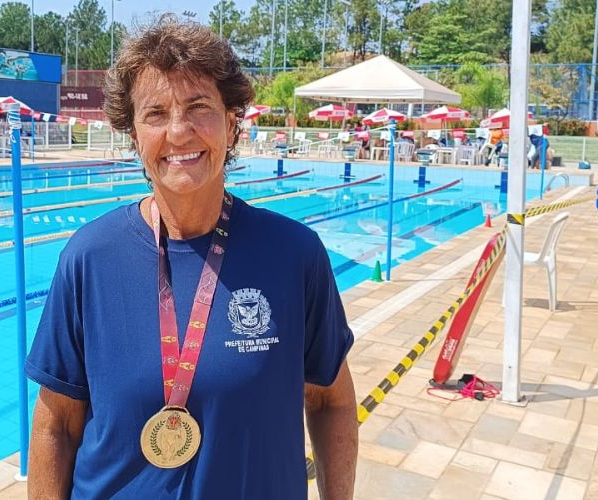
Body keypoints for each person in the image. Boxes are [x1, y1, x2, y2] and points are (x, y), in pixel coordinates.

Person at [26, 16, 357, 500]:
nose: (178, 133)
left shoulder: (294, 254)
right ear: (134, 136)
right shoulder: (90, 259)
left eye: (198, 107)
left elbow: (331, 402)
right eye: (155, 114)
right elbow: (56, 424)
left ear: (231, 122)